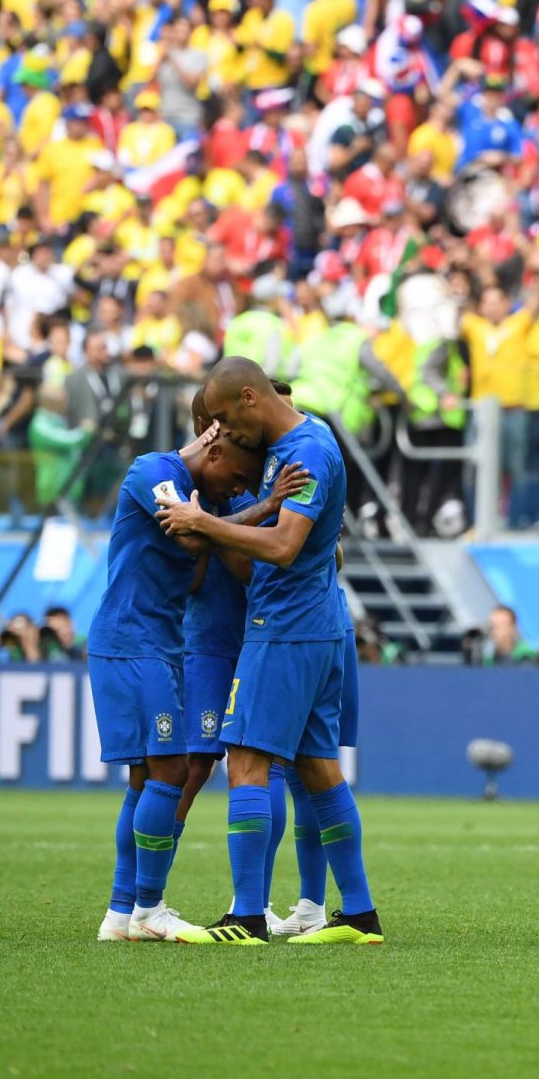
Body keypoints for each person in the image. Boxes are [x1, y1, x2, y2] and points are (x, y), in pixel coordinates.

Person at [156, 356, 382, 946]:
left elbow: (284, 545)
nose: (227, 435)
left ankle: (247, 917)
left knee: (248, 761)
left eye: (228, 420)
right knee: (319, 769)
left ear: (251, 399)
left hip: (286, 627)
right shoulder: (305, 441)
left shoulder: (304, 452)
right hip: (316, 626)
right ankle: (359, 915)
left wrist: (202, 522)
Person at [89, 418, 265, 944]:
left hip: (155, 644)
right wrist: (264, 507)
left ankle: (122, 914)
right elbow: (188, 534)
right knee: (173, 770)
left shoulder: (198, 491)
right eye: (236, 478)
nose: (235, 490)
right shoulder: (154, 470)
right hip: (133, 642)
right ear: (212, 453)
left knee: (145, 778)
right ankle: (149, 908)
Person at [171, 387, 319, 938]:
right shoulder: (192, 484)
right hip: (212, 639)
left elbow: (313, 551)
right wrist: (256, 510)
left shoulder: (271, 471)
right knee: (190, 768)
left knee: (267, 767)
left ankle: (251, 901)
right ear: (215, 430)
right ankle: (142, 901)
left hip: (265, 637)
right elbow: (220, 569)